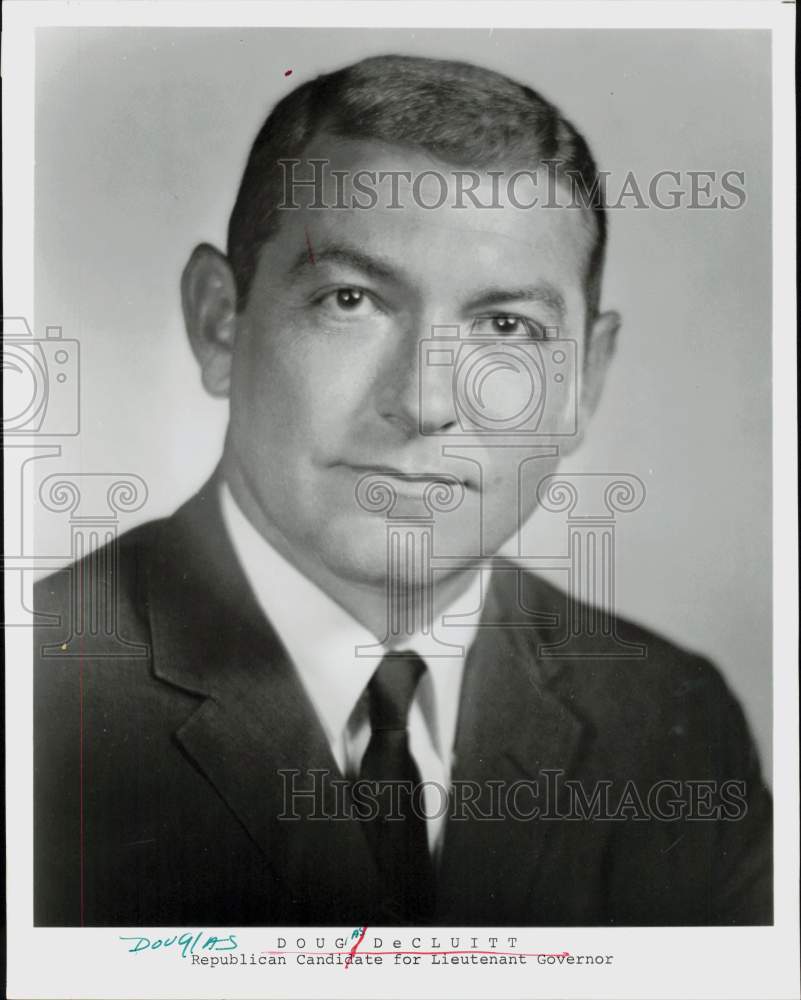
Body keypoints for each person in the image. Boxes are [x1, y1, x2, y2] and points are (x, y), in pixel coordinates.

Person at [34, 54, 772, 927]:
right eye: (350, 300)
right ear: (219, 322)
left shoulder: (670, 722)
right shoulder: (39, 699)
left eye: (506, 327)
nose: (425, 403)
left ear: (582, 382)